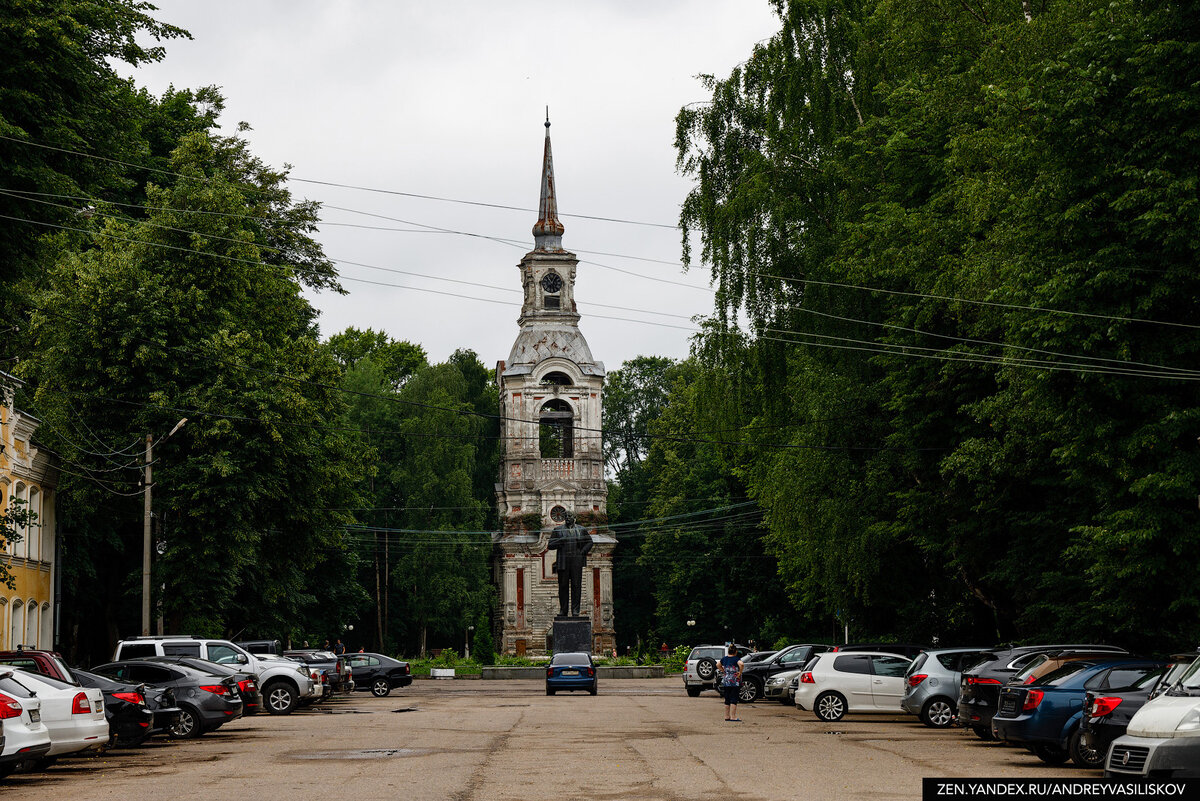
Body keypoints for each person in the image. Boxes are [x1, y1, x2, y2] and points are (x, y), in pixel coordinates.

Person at [719, 644, 744, 722]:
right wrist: (740, 672)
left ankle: (727, 716)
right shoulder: (736, 659)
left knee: (727, 698)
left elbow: (717, 664)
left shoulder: (724, 659)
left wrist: (723, 670)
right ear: (735, 652)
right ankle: (733, 716)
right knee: (734, 698)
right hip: (734, 681)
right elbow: (741, 664)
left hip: (726, 681)